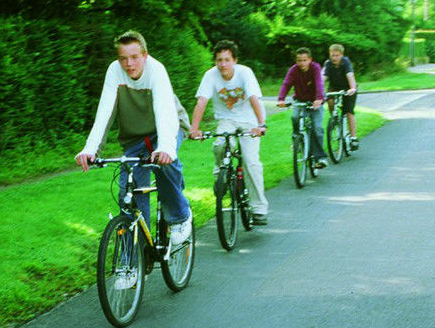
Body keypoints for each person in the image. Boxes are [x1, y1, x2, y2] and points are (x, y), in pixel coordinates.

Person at [75, 30, 192, 248]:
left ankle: (180, 216)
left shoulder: (156, 71)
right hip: (135, 137)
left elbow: (165, 111)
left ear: (145, 56)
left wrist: (166, 146)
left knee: (165, 163)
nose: (128, 64)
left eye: (134, 57)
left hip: (166, 128)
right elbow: (105, 112)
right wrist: (90, 150)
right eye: (123, 58)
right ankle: (135, 260)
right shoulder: (114, 72)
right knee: (128, 197)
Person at [188, 40, 269, 226]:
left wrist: (261, 125)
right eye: (219, 60)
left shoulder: (245, 73)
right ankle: (221, 175)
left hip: (250, 119)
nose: (222, 64)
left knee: (251, 161)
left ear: (234, 60)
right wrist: (194, 128)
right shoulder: (210, 75)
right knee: (220, 144)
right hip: (226, 119)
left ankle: (259, 208)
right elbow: (201, 102)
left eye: (226, 59)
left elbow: (254, 98)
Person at [276, 47, 328, 169]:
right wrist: (281, 98)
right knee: (295, 117)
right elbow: (286, 84)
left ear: (310, 59)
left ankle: (320, 157)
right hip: (300, 100)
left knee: (316, 127)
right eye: (299, 60)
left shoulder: (315, 68)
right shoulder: (293, 70)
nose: (302, 63)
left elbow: (319, 83)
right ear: (296, 60)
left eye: (304, 60)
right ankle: (296, 139)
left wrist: (319, 98)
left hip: (315, 101)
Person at [322, 43, 359, 150]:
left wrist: (352, 88)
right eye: (332, 55)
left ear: (341, 55)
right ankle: (335, 120)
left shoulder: (345, 62)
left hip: (348, 88)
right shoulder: (328, 64)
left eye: (337, 55)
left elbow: (350, 75)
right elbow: (323, 77)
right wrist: (319, 90)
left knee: (348, 111)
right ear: (329, 55)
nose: (334, 58)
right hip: (334, 87)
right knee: (330, 101)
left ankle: (353, 138)